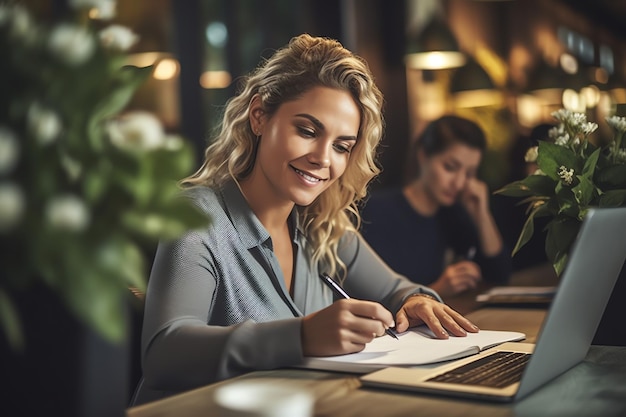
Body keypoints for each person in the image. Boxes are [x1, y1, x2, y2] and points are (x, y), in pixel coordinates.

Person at [134, 35, 479, 403]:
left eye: (341, 146)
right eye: (308, 131)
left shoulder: (323, 225)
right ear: (259, 117)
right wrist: (302, 337)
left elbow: (398, 290)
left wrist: (415, 300)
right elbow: (163, 352)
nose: (323, 159)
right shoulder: (197, 216)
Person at [360, 115, 511, 299]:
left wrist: (482, 214)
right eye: (450, 167)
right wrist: (436, 290)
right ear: (423, 156)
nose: (460, 183)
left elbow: (499, 275)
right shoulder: (375, 211)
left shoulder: (453, 214)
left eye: (469, 173)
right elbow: (368, 299)